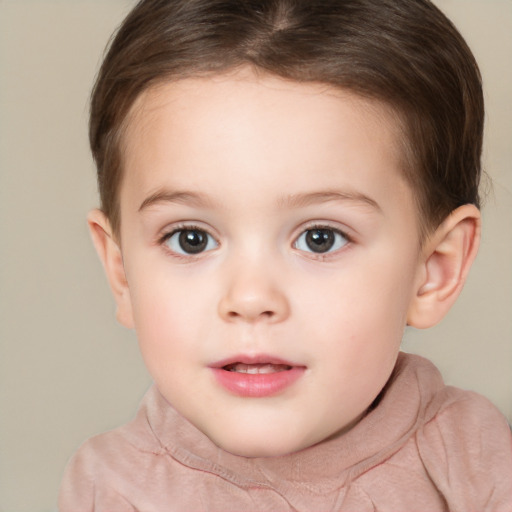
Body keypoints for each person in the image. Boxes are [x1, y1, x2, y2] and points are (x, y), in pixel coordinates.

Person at [58, 0, 512, 510]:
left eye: (321, 237)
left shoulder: (478, 463)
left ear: (434, 270)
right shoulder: (112, 488)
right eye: (191, 238)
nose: (250, 298)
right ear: (121, 272)